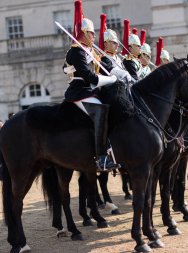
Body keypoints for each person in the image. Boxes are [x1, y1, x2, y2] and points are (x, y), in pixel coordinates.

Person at [62, 0, 120, 171]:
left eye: (94, 32)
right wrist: (110, 80)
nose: (94, 35)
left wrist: (114, 75)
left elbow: (99, 71)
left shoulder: (91, 52)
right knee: (101, 111)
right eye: (91, 33)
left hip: (91, 90)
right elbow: (89, 77)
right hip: (79, 91)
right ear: (83, 33)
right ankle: (101, 158)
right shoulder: (77, 51)